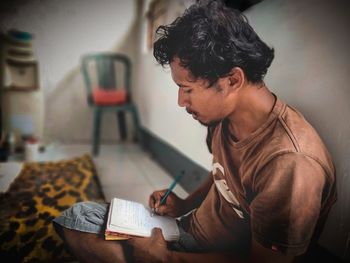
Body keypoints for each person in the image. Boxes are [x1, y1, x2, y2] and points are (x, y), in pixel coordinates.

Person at [53, 1, 337, 262]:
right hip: (187, 230)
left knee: (86, 234)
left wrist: (166, 259)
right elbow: (222, 176)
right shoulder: (223, 119)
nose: (181, 102)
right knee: (79, 217)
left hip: (215, 254)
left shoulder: (290, 163)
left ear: (231, 80)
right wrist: (184, 203)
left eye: (187, 89)